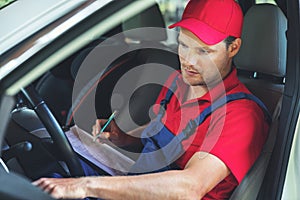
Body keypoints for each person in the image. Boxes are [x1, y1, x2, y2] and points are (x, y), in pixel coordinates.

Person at [33, 0, 270, 199]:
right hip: (140, 184)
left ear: (233, 48)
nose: (189, 61)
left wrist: (84, 185)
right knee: (40, 167)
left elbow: (190, 187)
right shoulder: (177, 83)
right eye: (184, 45)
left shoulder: (242, 115)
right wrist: (124, 139)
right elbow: (164, 144)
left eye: (204, 51)